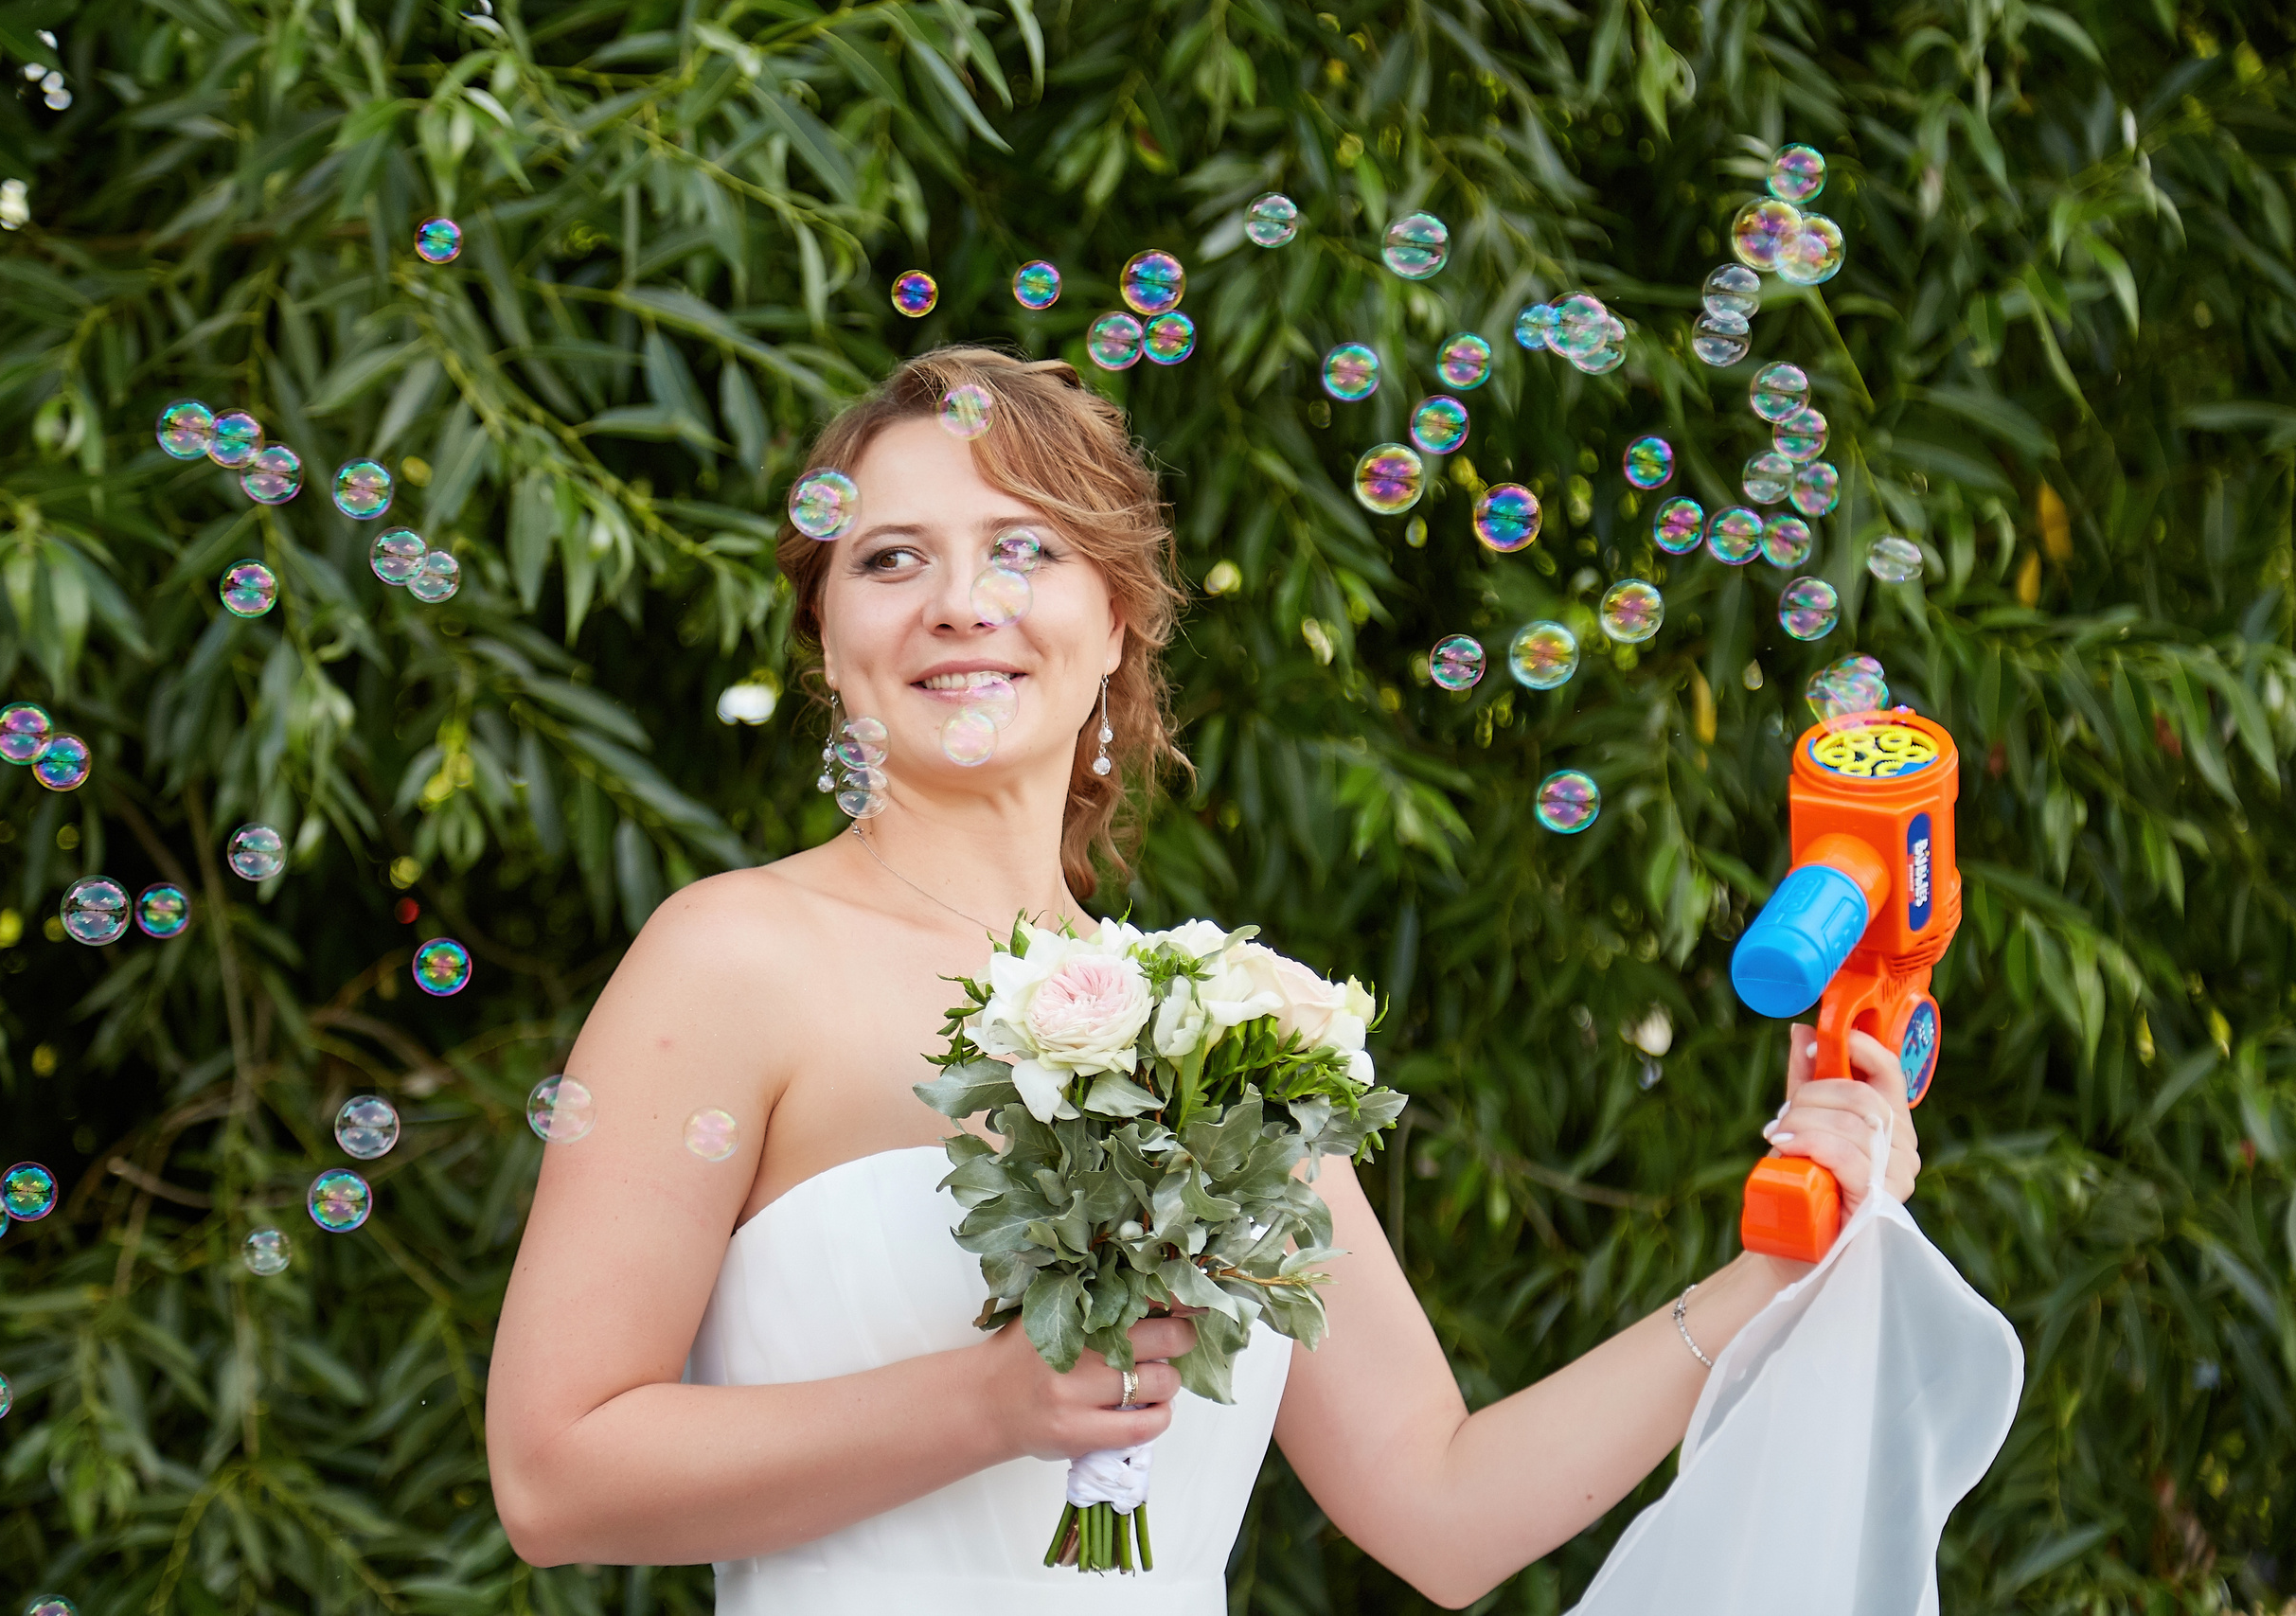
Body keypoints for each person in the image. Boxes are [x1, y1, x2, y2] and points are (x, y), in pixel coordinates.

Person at [485, 347, 1923, 1612]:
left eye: (1024, 548)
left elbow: (1445, 1507)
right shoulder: (732, 957)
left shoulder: (1226, 1028)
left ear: (1117, 619)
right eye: (891, 559)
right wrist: (989, 1404)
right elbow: (554, 1478)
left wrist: (1773, 1268)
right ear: (826, 632)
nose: (961, 603)